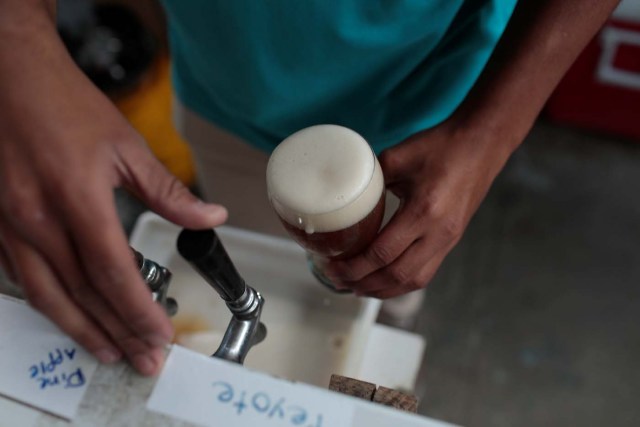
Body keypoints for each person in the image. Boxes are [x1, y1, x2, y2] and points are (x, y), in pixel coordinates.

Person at [0, 0, 620, 376]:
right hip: (227, 89)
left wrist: (493, 130)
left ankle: (387, 328)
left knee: (386, 282)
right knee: (251, 251)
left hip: (431, 112)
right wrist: (18, 51)